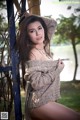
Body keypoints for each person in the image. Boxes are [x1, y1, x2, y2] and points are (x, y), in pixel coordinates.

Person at [17, 13, 80, 120]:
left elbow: (52, 23)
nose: (38, 33)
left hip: (48, 101)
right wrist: (57, 70)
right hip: (39, 104)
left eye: (40, 28)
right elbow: (37, 83)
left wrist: (31, 16)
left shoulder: (44, 46)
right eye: (32, 31)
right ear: (27, 35)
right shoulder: (32, 53)